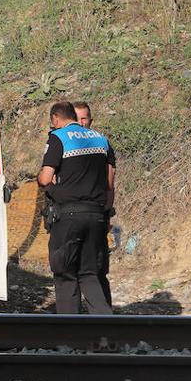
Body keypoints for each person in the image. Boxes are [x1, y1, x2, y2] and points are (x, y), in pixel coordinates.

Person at [39, 100, 114, 314]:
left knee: (65, 275)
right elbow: (110, 183)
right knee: (90, 275)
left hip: (68, 217)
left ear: (55, 118)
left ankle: (68, 334)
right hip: (96, 215)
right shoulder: (101, 139)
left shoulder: (58, 137)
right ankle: (106, 332)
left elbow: (45, 179)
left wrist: (41, 179)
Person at [73, 100, 116, 306]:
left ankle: (103, 317)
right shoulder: (64, 142)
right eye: (77, 119)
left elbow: (110, 183)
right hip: (72, 215)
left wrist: (107, 213)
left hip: (96, 213)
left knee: (97, 269)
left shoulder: (102, 143)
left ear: (91, 120)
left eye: (84, 118)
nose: (81, 123)